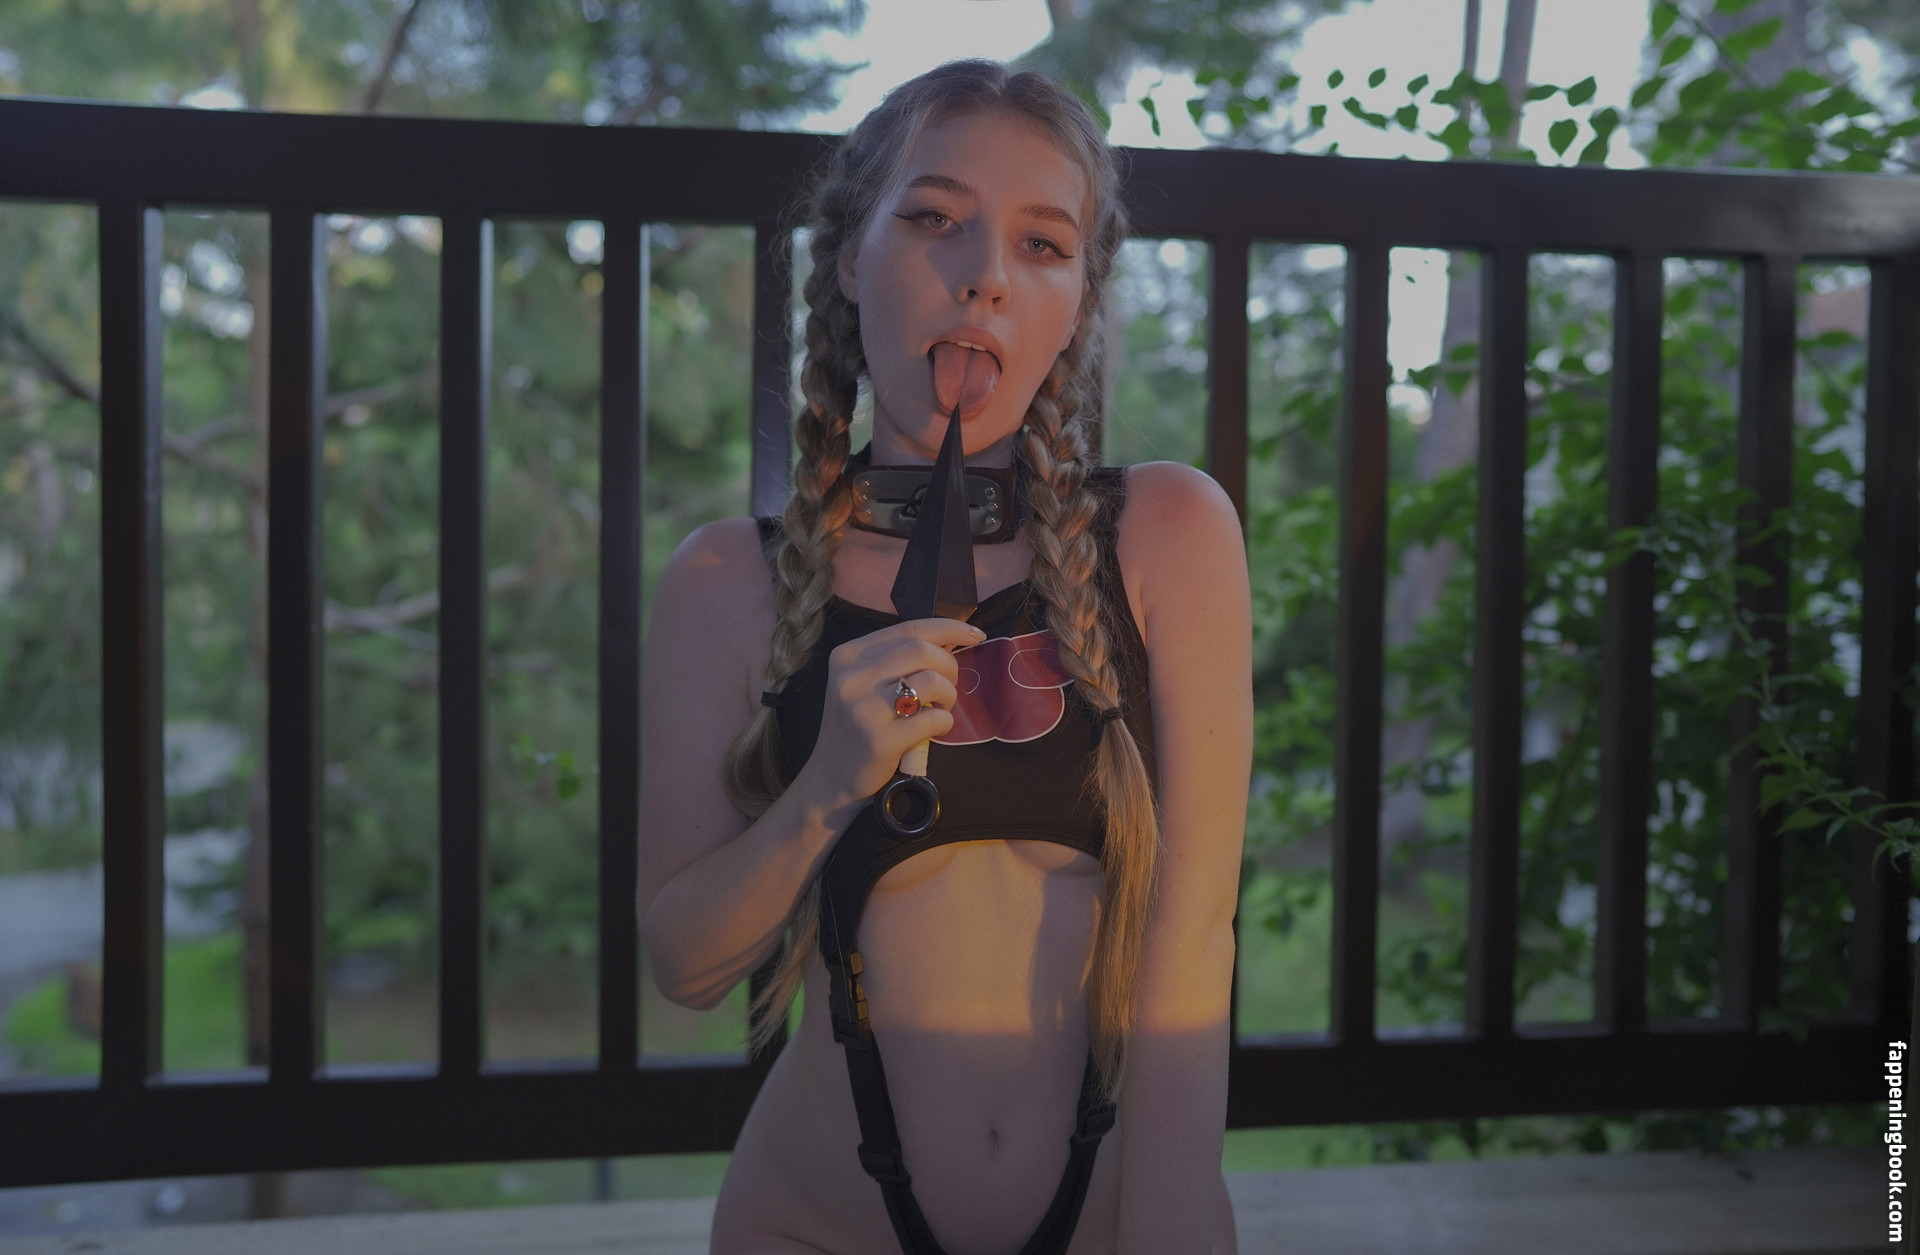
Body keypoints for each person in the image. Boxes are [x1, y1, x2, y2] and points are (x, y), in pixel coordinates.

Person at [638, 59, 1251, 1255]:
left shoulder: (1168, 535)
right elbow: (686, 964)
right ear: (848, 260)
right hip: (813, 1224)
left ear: (1077, 300)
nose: (986, 278)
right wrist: (825, 789)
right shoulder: (727, 582)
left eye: (1043, 244)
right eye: (933, 219)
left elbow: (1194, 943)